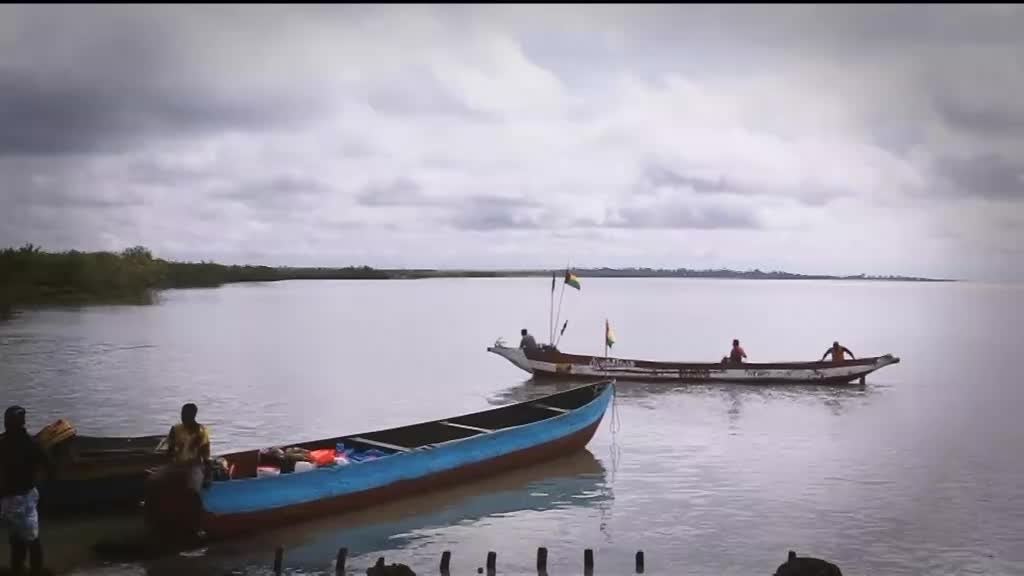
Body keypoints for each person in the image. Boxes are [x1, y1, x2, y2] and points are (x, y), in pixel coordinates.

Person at [1, 405, 48, 575]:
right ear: (22, 423)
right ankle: (35, 571)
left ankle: (18, 570)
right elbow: (49, 466)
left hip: (9, 500)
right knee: (32, 541)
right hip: (26, 496)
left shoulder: (3, 444)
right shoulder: (31, 444)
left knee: (16, 542)